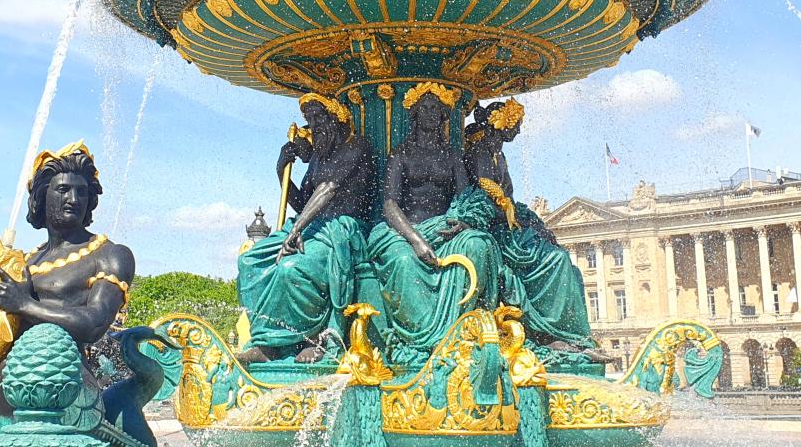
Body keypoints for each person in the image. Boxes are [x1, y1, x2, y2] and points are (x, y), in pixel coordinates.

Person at [0, 141, 135, 428]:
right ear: (42, 195)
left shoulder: (109, 254)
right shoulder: (25, 261)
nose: (74, 199)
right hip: (7, 399)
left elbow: (95, 323)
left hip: (67, 395)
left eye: (82, 192)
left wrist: (24, 304)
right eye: (63, 189)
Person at [464, 100, 609, 363]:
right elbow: (484, 193)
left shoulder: (499, 155)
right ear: (501, 122)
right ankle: (549, 333)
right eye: (515, 124)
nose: (519, 131)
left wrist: (534, 223)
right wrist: (510, 212)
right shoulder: (480, 151)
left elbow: (508, 197)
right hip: (492, 227)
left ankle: (570, 335)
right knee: (556, 261)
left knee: (562, 260)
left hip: (507, 225)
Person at [237, 93, 376, 366]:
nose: (314, 126)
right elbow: (303, 202)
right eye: (310, 119)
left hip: (341, 229)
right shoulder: (318, 159)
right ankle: (266, 341)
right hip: (310, 226)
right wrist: (281, 171)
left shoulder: (356, 146)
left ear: (337, 118)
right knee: (249, 261)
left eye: (319, 118)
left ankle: (309, 338)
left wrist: (296, 230)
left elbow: (328, 188)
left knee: (291, 269)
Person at [367, 82, 502, 363]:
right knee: (404, 262)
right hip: (404, 230)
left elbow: (465, 197)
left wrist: (465, 222)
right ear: (414, 114)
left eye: (436, 109)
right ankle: (420, 341)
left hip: (444, 228)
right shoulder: (401, 154)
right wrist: (415, 240)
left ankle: (463, 330)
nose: (430, 113)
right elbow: (389, 205)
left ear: (443, 116)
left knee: (479, 245)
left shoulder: (451, 156)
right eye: (425, 108)